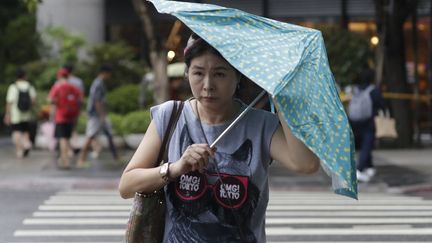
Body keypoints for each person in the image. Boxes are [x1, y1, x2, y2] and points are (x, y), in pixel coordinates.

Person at [118, 33, 319, 242]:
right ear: (187, 73)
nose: (208, 85)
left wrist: (282, 101)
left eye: (220, 74)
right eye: (198, 73)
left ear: (238, 76)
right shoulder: (170, 116)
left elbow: (306, 164)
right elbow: (126, 185)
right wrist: (175, 168)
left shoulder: (261, 124)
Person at [347, 67, 385, 182]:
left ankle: (369, 167)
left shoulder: (355, 90)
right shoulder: (373, 91)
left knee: (364, 144)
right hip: (369, 122)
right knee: (367, 145)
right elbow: (382, 105)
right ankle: (359, 169)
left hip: (354, 121)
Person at [77, 65, 119, 167]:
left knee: (109, 134)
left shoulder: (99, 83)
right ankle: (81, 159)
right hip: (96, 115)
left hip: (99, 114)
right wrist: (101, 115)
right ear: (105, 73)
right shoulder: (98, 84)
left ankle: (116, 157)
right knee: (90, 136)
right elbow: (97, 101)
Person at [48, 68, 83, 169]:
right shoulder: (73, 87)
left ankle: (65, 161)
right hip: (71, 117)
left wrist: (52, 114)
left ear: (59, 76)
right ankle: (67, 156)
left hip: (60, 117)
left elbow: (51, 99)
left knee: (62, 139)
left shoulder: (57, 87)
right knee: (67, 137)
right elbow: (80, 100)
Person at [3, 68, 37, 159]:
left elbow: (9, 102)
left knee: (16, 131)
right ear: (25, 76)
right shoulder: (29, 86)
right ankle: (26, 143)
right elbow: (34, 101)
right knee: (26, 130)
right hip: (27, 113)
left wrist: (7, 114)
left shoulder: (13, 87)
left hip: (16, 114)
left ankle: (19, 150)